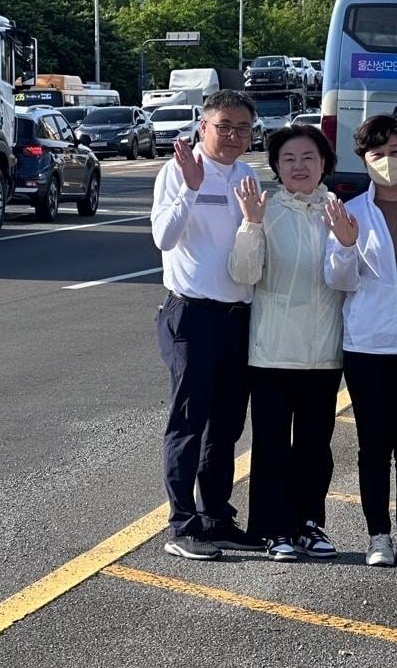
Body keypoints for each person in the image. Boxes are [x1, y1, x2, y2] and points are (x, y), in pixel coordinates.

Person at [152, 89, 266, 560]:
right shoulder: (177, 172)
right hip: (191, 315)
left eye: (243, 128)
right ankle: (182, 525)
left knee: (226, 424)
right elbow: (164, 237)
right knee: (188, 420)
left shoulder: (248, 175)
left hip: (238, 316)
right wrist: (191, 187)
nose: (234, 136)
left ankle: (216, 516)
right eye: (224, 126)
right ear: (204, 127)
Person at [324, 114, 397, 569]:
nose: (388, 161)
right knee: (373, 443)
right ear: (364, 161)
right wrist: (347, 245)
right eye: (377, 155)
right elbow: (337, 279)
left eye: (395, 152)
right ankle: (377, 536)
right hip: (366, 343)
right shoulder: (350, 211)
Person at [228, 124, 345, 562]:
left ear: (324, 164)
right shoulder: (266, 209)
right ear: (276, 166)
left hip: (324, 350)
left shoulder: (337, 209)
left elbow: (348, 279)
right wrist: (250, 224)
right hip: (272, 349)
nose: (299, 166)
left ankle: (310, 524)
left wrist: (348, 244)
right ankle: (273, 529)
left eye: (308, 158)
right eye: (289, 159)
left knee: (316, 445)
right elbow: (244, 273)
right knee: (273, 445)